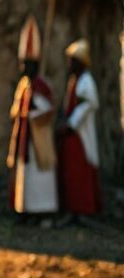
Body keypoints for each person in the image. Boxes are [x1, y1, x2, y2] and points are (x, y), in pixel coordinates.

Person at [7, 16, 59, 217]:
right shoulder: (24, 87)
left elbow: (47, 111)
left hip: (38, 141)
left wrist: (34, 112)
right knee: (26, 175)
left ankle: (43, 210)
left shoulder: (42, 87)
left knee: (40, 176)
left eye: (26, 64)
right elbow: (15, 111)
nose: (23, 68)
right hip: (25, 139)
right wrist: (22, 114)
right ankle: (26, 209)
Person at [57, 38, 103, 215]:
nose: (69, 64)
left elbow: (87, 105)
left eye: (72, 61)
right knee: (71, 172)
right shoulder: (74, 81)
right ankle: (72, 208)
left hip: (80, 134)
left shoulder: (86, 82)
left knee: (81, 170)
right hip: (72, 134)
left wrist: (70, 124)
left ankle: (84, 208)